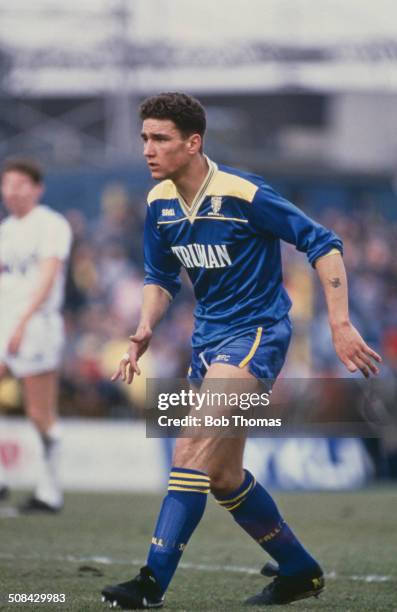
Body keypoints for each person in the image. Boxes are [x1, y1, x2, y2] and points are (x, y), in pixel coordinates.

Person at [101, 93, 382, 608]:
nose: (148, 149)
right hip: (207, 341)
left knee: (189, 446)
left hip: (256, 336)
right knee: (222, 475)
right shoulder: (157, 202)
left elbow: (323, 242)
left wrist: (340, 325)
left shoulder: (243, 192)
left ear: (193, 142)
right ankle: (299, 571)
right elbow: (160, 275)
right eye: (144, 138)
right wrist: (143, 326)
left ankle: (150, 585)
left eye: (160, 138)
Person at [0, 159, 72, 513]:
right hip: (5, 321)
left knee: (39, 412)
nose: (12, 190)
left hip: (36, 325)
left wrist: (22, 322)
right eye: (7, 183)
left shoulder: (51, 225)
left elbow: (47, 276)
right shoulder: (6, 230)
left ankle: (49, 490)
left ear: (37, 188)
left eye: (20, 183)